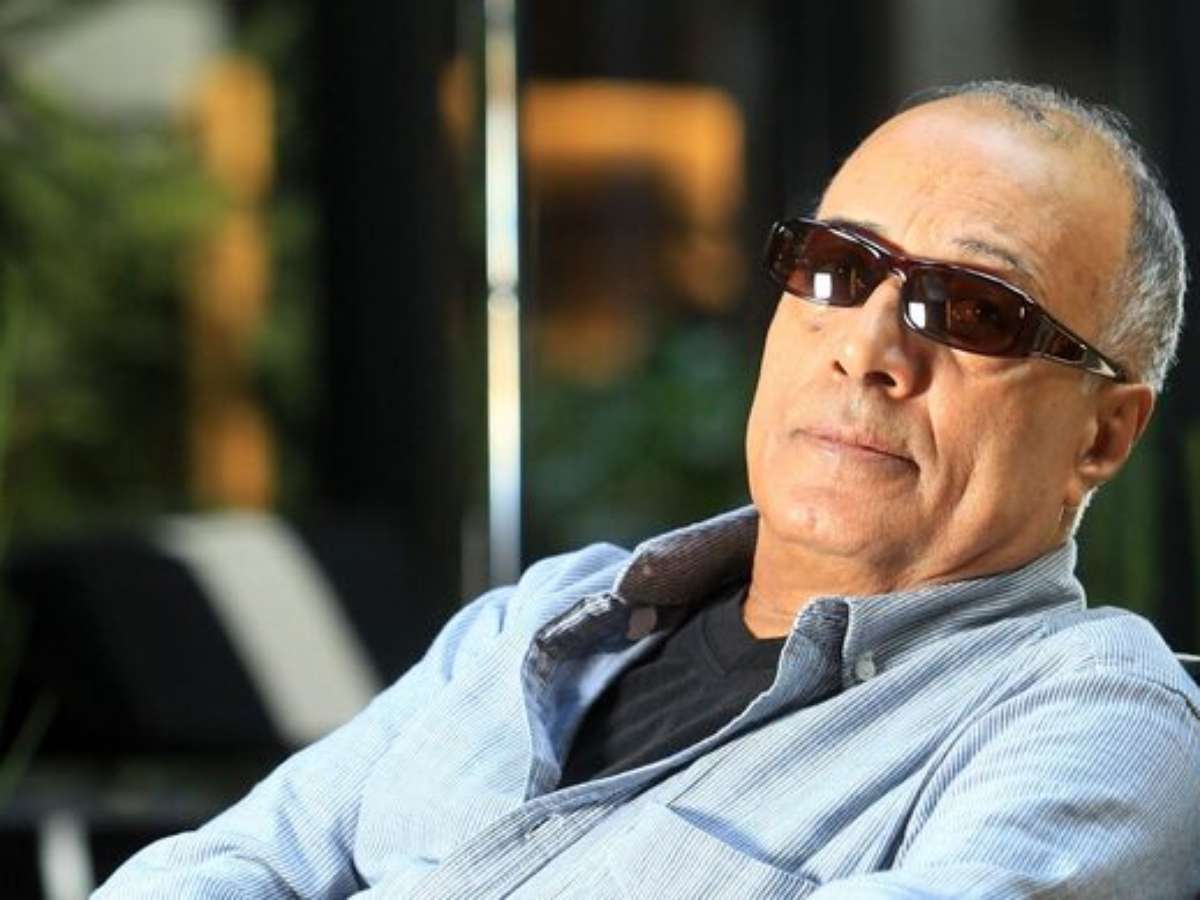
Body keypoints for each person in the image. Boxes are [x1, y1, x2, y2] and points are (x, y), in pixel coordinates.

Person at [96, 80, 1200, 899]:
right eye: (837, 268)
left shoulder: (1093, 713)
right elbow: (225, 865)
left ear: (1103, 435)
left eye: (975, 311)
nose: (866, 349)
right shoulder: (544, 618)